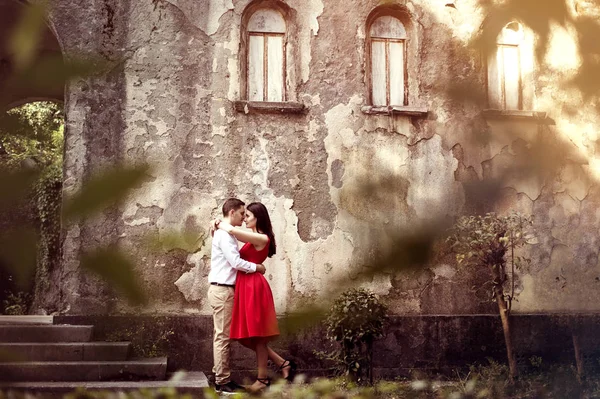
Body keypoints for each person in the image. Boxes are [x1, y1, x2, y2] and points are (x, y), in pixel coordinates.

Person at [213, 202, 297, 393]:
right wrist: (218, 223)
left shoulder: (261, 238)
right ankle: (282, 363)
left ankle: (262, 379)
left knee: (258, 337)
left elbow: (232, 231)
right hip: (246, 286)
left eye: (248, 215)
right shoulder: (253, 238)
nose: (244, 218)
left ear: (258, 218)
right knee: (244, 337)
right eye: (243, 215)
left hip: (253, 287)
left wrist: (218, 222)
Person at [208, 198, 266, 394]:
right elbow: (235, 261)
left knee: (223, 336)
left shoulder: (228, 234)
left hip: (225, 290)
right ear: (232, 212)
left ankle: (222, 376)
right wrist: (257, 267)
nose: (243, 217)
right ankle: (222, 381)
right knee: (223, 337)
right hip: (223, 290)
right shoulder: (225, 235)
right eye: (242, 213)